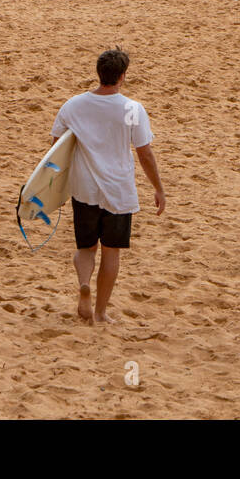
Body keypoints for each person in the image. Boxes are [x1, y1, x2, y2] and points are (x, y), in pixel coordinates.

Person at [50, 48, 166, 325]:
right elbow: (144, 154)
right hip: (118, 191)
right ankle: (100, 313)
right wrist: (159, 188)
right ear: (122, 77)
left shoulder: (74, 105)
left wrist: (57, 187)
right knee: (111, 252)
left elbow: (55, 149)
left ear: (99, 73)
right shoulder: (132, 109)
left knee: (86, 248)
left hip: (84, 188)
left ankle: (83, 284)